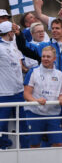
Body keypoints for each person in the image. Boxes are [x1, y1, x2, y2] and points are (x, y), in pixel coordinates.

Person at [24, 46, 62, 148]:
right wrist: (36, 100)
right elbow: (26, 94)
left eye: (48, 56)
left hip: (53, 114)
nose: (45, 59)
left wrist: (61, 97)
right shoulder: (33, 72)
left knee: (58, 144)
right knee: (34, 145)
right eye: (43, 56)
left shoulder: (60, 74)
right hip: (35, 113)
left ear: (54, 58)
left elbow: (61, 93)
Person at [0, 21, 28, 149]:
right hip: (4, 93)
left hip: (19, 92)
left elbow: (21, 66)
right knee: (2, 126)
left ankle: (26, 149)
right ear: (9, 32)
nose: (14, 33)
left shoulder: (13, 44)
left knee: (24, 124)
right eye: (13, 31)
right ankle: (3, 149)